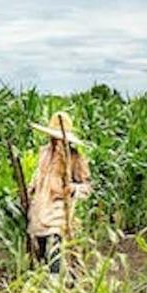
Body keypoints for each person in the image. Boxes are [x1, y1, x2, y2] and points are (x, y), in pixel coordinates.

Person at [27, 111, 92, 272]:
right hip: (41, 206)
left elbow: (87, 187)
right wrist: (31, 188)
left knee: (55, 244)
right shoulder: (44, 153)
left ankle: (55, 281)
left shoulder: (74, 158)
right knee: (40, 246)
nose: (55, 141)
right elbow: (38, 175)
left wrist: (72, 189)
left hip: (59, 208)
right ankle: (43, 278)